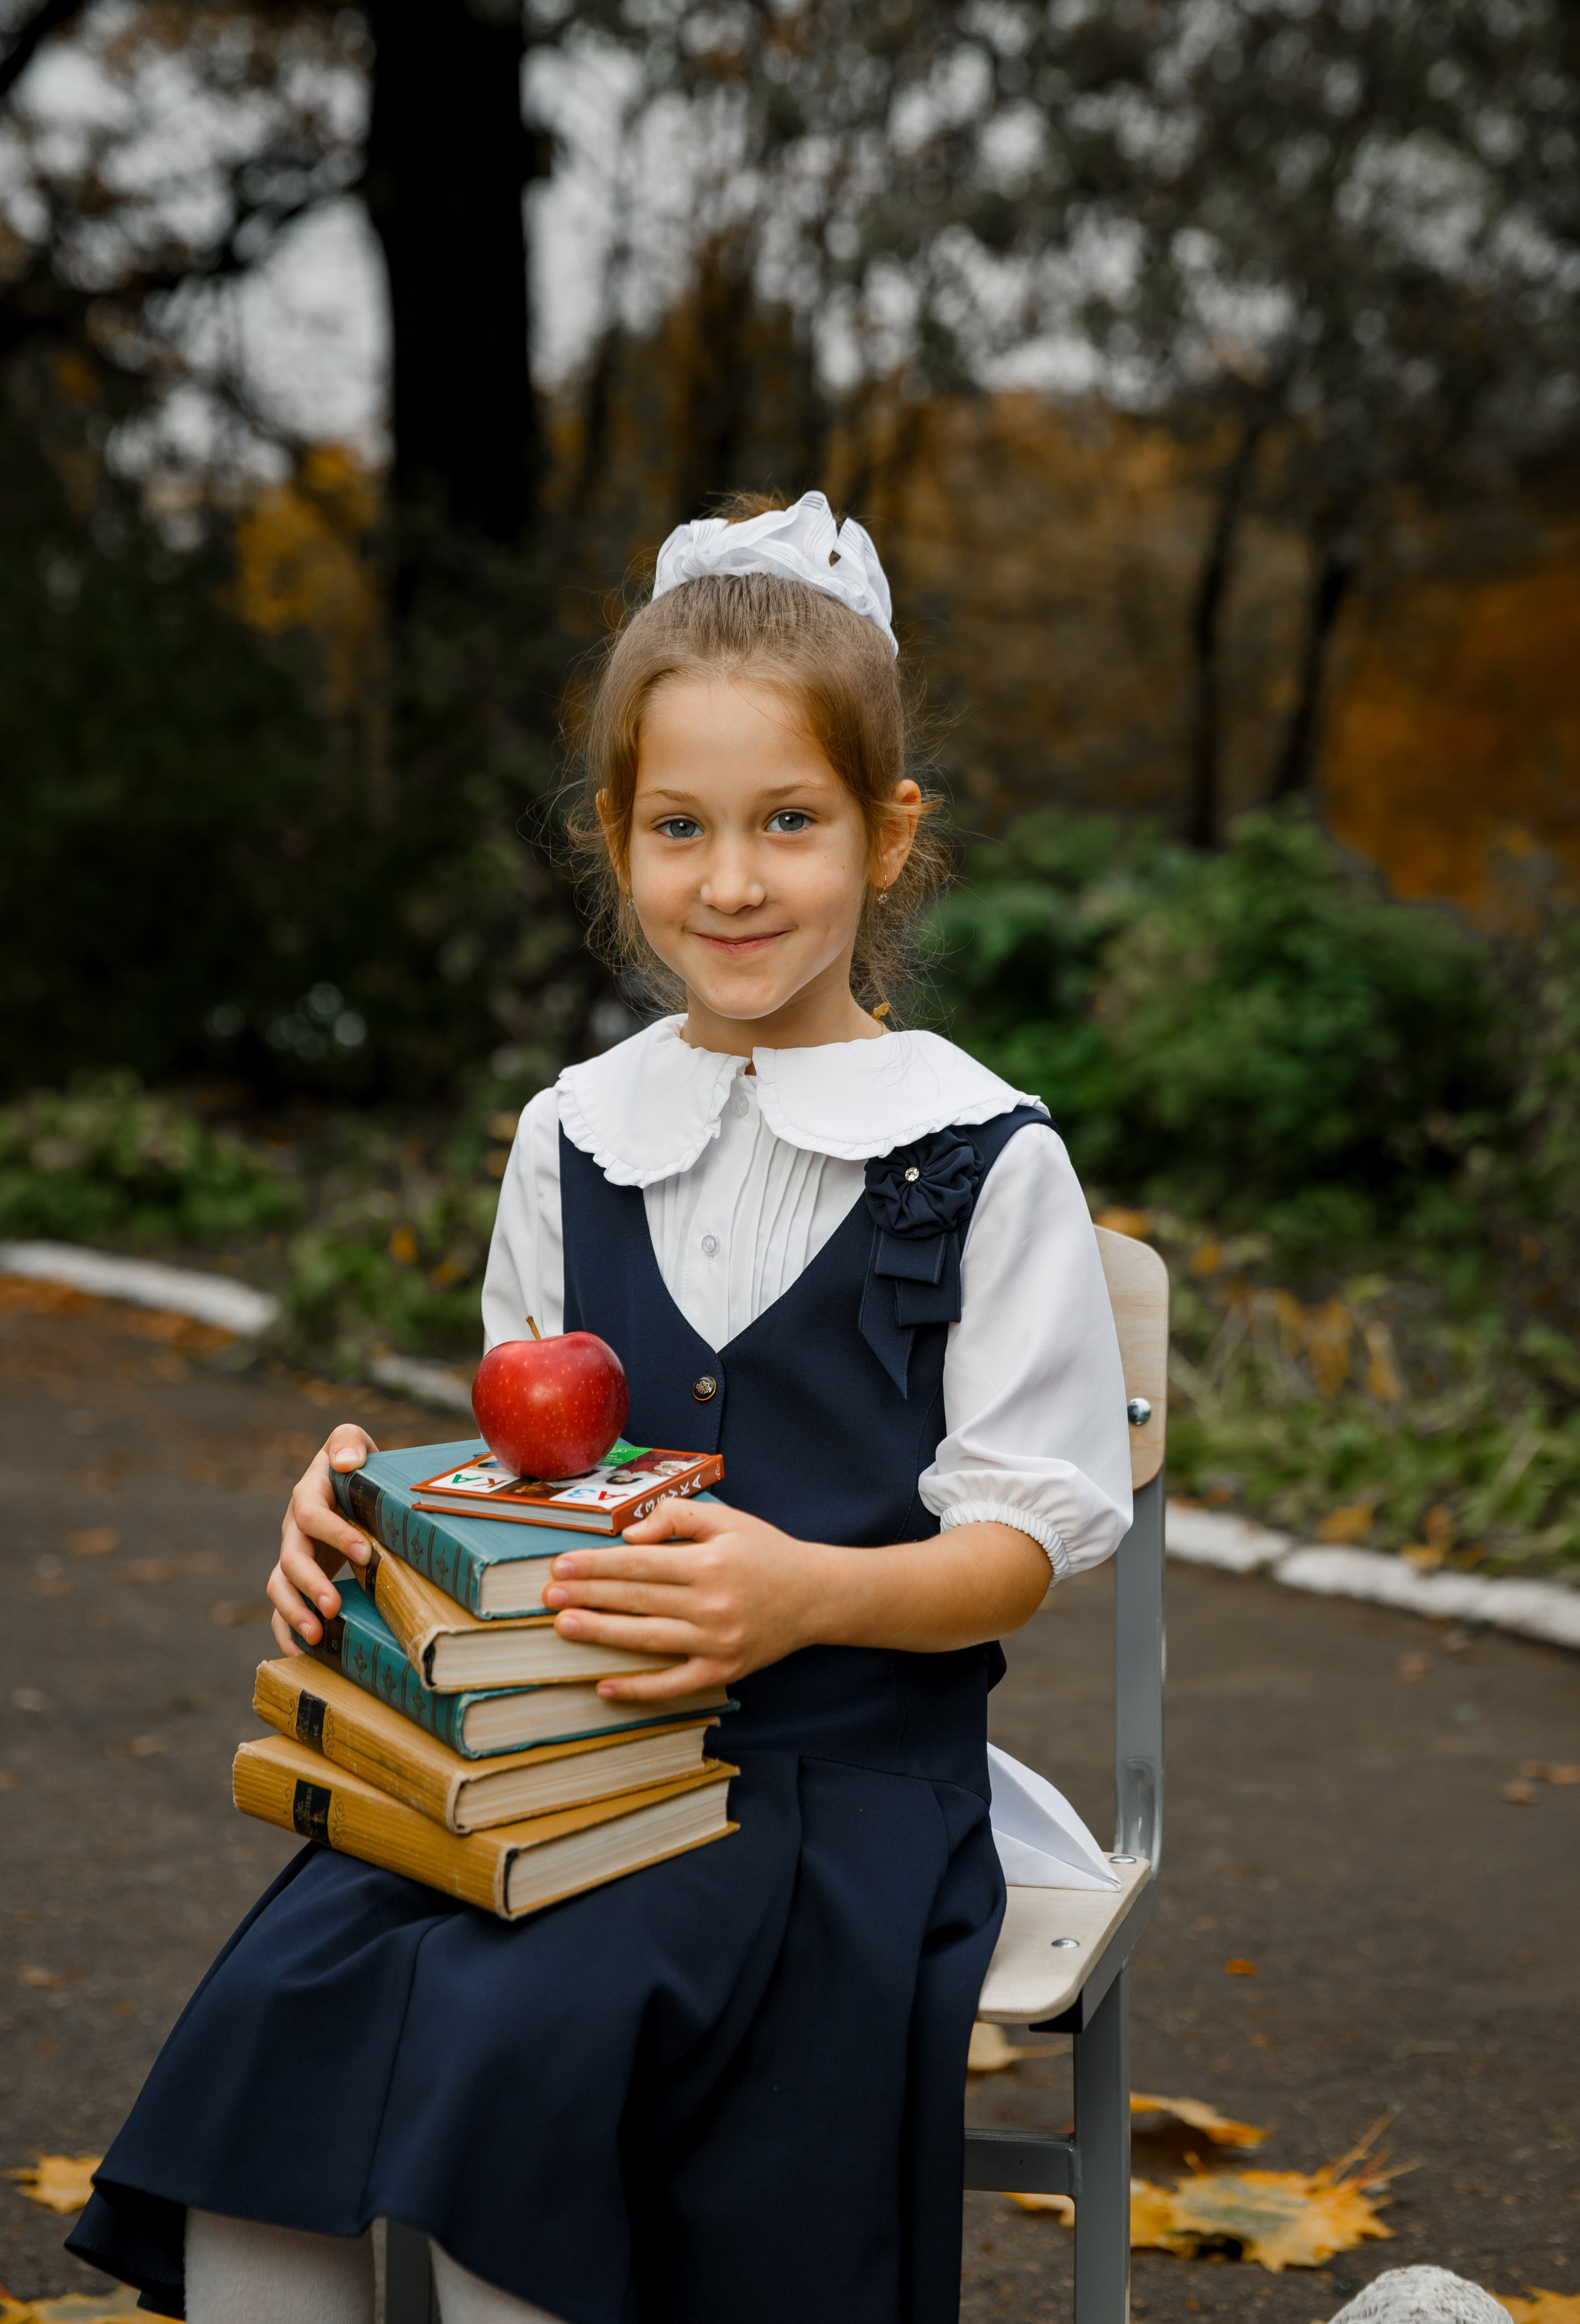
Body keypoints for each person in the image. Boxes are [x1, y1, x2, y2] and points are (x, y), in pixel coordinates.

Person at [69, 490, 1132, 2324]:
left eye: (790, 823)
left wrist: (801, 1594)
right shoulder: (576, 1135)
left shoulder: (979, 1153)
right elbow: (532, 1479)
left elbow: (1018, 1550)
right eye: (681, 828)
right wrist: (378, 1530)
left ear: (889, 839)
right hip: (559, 1757)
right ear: (615, 843)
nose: (733, 882)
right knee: (283, 2023)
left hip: (840, 1780)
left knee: (520, 2049)